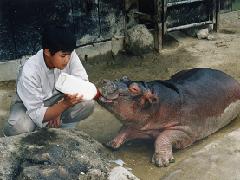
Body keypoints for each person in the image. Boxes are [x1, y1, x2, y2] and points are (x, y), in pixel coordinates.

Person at [3, 25, 95, 136]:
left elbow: (82, 81)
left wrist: (59, 108)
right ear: (47, 52)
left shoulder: (69, 53)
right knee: (18, 128)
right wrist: (63, 106)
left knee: (87, 103)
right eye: (63, 56)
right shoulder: (29, 71)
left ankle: (63, 132)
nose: (67, 60)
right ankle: (35, 134)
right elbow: (36, 112)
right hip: (27, 104)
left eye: (69, 55)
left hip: (58, 98)